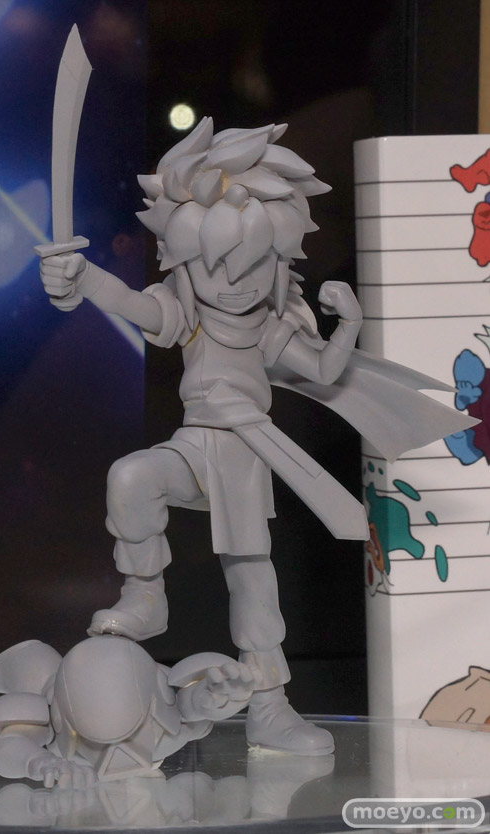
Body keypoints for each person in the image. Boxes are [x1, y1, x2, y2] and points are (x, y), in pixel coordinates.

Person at [39, 118, 477, 755]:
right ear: (185, 260)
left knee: (253, 581)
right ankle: (145, 594)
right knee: (132, 476)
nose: (236, 283)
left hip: (247, 457)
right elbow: (131, 302)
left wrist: (348, 323)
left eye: (255, 264)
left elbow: (324, 371)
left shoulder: (269, 328)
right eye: (216, 266)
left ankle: (270, 705)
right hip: (195, 447)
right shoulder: (187, 312)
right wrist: (80, 280)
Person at [0, 636, 257, 786]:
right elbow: (10, 745)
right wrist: (38, 762)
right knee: (35, 672)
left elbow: (187, 704)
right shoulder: (51, 714)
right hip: (83, 786)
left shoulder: (164, 709)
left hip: (157, 787)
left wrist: (213, 699)